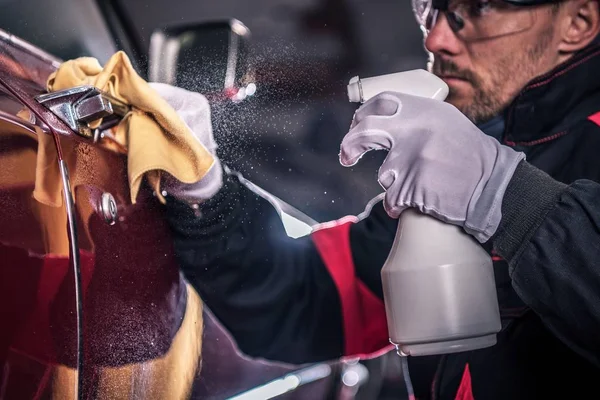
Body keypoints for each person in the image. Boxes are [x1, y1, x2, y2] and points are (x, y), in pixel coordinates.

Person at [155, 0, 600, 398]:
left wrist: (509, 198)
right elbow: (308, 297)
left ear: (578, 22)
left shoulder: (488, 175)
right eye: (431, 9)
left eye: (478, 8)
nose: (437, 37)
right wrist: (204, 188)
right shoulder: (462, 170)